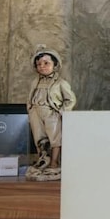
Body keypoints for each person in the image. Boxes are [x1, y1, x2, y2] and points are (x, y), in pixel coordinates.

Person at [26, 45, 76, 181]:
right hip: (36, 112)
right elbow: (31, 96)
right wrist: (30, 109)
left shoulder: (60, 83)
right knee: (39, 138)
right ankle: (43, 160)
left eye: (46, 63)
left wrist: (62, 112)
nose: (42, 66)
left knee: (55, 139)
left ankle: (54, 162)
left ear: (55, 65)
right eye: (39, 64)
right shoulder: (35, 82)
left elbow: (70, 99)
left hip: (51, 113)